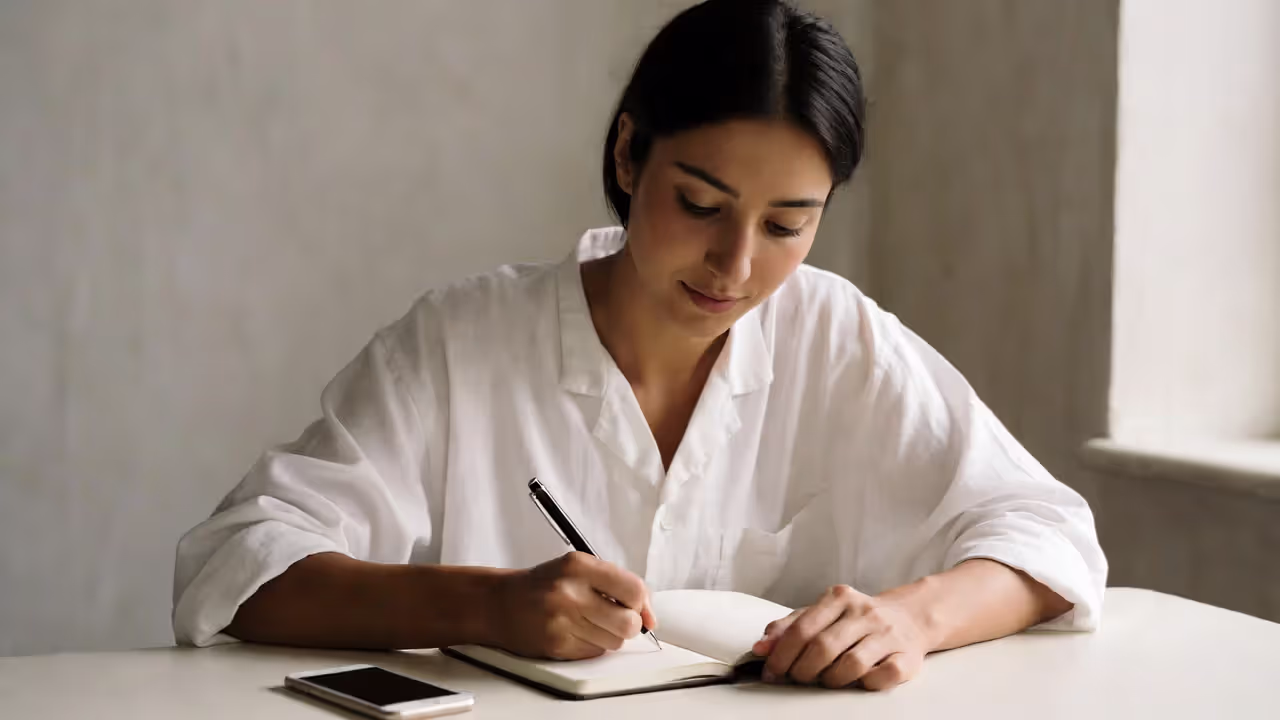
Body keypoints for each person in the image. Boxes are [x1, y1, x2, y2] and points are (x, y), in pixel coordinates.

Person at [173, 0, 1106, 691]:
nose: (735, 265)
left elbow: (1049, 533)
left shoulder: (836, 335)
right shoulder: (463, 341)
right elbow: (239, 564)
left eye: (787, 225)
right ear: (628, 155)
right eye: (700, 205)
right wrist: (485, 605)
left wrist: (909, 619)